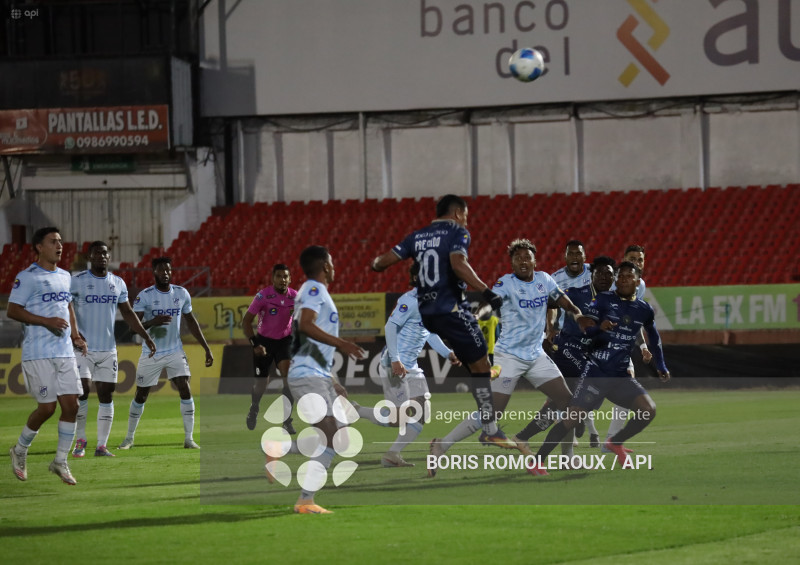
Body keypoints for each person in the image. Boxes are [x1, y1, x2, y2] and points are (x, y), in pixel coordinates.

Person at [429, 239, 588, 474]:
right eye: (517, 258)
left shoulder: (544, 279)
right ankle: (441, 445)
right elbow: (489, 303)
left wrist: (577, 313)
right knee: (492, 411)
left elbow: (565, 302)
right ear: (512, 263)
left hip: (535, 355)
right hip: (509, 357)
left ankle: (568, 457)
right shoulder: (506, 283)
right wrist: (478, 314)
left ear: (535, 260)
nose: (523, 261)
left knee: (568, 402)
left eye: (527, 257)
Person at [370, 194, 513, 453]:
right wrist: (485, 291)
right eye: (466, 216)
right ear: (458, 213)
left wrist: (376, 263)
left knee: (479, 366)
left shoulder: (416, 236)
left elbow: (382, 262)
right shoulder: (458, 232)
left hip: (428, 312)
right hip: (451, 308)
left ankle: (487, 424)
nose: (466, 222)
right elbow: (459, 263)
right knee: (483, 367)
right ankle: (490, 430)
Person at [526, 262, 670, 476]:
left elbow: (655, 337)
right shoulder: (603, 300)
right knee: (570, 419)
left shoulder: (644, 309)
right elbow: (587, 329)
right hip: (596, 374)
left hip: (620, 376)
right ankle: (537, 461)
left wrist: (661, 365)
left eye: (628, 276)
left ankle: (615, 442)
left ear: (638, 282)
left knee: (648, 410)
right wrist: (598, 329)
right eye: (620, 276)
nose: (622, 280)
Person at [285, 245, 366, 514]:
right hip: (307, 376)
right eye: (331, 261)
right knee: (331, 436)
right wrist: (342, 342)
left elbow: (309, 339)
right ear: (325, 265)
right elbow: (306, 325)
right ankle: (305, 500)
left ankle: (282, 448)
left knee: (340, 438)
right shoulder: (313, 289)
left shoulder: (317, 291)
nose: (334, 266)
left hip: (317, 375)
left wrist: (332, 379)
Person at [355, 261, 461, 467]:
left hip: (411, 367)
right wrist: (395, 360)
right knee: (399, 418)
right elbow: (390, 326)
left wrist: (447, 353)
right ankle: (356, 411)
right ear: (415, 279)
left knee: (421, 413)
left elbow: (429, 333)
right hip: (395, 364)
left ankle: (392, 454)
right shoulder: (409, 300)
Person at [8, 227, 87, 485]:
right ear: (39, 247)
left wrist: (76, 335)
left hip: (64, 352)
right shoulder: (27, 277)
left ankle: (60, 461)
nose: (59, 245)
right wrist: (45, 321)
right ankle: (19, 450)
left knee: (72, 406)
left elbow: (68, 306)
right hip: (38, 353)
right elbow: (13, 310)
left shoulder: (66, 276)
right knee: (47, 408)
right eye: (53, 241)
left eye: (61, 241)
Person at [513, 255, 616, 448]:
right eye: (599, 272)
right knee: (581, 396)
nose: (603, 277)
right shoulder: (576, 293)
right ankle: (531, 439)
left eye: (608, 273)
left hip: (586, 354)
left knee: (569, 404)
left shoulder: (614, 302)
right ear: (591, 275)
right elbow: (548, 303)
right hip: (567, 349)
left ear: (614, 277)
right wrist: (549, 328)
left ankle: (526, 437)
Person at [70, 241, 157, 457]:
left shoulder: (117, 282)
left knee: (106, 395)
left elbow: (128, 313)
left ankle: (101, 445)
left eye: (105, 253)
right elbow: (65, 308)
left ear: (110, 257)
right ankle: (80, 440)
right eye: (97, 253)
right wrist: (72, 334)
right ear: (90, 256)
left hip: (108, 349)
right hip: (83, 348)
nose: (102, 256)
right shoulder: (77, 281)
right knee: (81, 391)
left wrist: (145, 336)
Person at [117, 256, 213, 450]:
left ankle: (189, 438)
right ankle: (129, 438)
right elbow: (133, 328)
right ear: (154, 272)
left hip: (175, 351)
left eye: (168, 270)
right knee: (141, 395)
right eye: (161, 270)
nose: (165, 273)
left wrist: (206, 347)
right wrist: (153, 322)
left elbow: (191, 321)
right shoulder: (145, 296)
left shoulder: (181, 293)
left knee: (184, 387)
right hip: (151, 352)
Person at [547, 239, 598, 446]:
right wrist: (550, 327)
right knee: (569, 384)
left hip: (592, 336)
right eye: (571, 254)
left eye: (579, 254)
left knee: (586, 383)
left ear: (584, 257)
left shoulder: (594, 273)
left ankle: (588, 427)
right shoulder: (555, 278)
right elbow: (551, 306)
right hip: (566, 336)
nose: (575, 257)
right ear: (565, 256)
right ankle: (575, 427)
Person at [602, 244, 652, 452]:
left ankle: (611, 440)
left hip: (620, 348)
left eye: (640, 259)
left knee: (627, 385)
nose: (636, 262)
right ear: (622, 258)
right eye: (632, 258)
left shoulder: (640, 286)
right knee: (571, 396)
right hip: (597, 345)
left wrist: (642, 346)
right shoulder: (610, 283)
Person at [242, 264, 297, 433]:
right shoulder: (263, 296)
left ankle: (287, 420)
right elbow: (246, 321)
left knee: (289, 379)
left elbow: (302, 320)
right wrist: (255, 344)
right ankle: (254, 407)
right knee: (260, 385)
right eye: (279, 276)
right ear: (273, 278)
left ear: (289, 278)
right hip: (263, 342)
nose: (283, 279)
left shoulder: (295, 297)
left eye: (285, 276)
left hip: (284, 341)